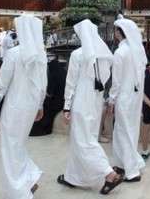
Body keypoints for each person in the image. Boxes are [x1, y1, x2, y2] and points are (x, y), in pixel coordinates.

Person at [0, 15, 48, 199]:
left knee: (10, 148)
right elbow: (43, 84)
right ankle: (29, 178)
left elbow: (2, 84)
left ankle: (19, 192)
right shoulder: (41, 53)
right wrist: (40, 106)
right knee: (17, 145)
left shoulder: (14, 53)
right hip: (30, 107)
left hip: (15, 107)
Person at [58, 19, 122, 194]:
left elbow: (70, 82)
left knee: (83, 141)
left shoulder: (77, 54)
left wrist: (67, 106)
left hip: (80, 102)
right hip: (95, 103)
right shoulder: (104, 56)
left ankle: (109, 173)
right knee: (85, 139)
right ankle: (74, 176)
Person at [106, 18, 147, 182]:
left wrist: (111, 100)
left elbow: (116, 81)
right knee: (128, 131)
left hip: (123, 98)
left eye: (116, 30)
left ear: (120, 33)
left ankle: (132, 171)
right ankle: (123, 163)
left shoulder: (120, 52)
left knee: (123, 132)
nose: (115, 33)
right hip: (135, 97)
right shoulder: (137, 51)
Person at [30, 57, 67, 136]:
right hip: (63, 101)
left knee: (43, 106)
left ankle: (39, 129)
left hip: (56, 102)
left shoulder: (53, 76)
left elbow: (50, 92)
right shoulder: (64, 73)